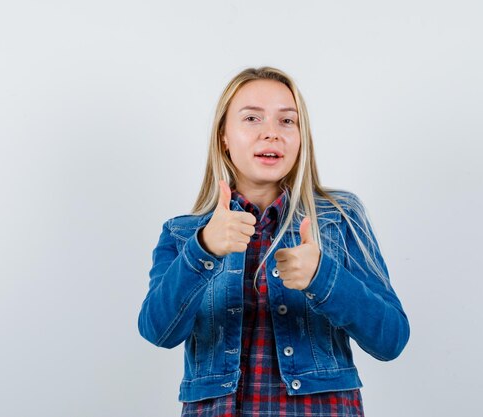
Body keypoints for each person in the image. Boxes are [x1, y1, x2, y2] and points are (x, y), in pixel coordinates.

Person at [138, 66, 410, 416]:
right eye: (252, 118)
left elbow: (391, 340)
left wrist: (323, 277)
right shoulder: (183, 233)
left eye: (287, 121)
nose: (271, 134)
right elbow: (158, 331)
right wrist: (202, 250)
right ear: (224, 135)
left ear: (301, 136)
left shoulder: (339, 217)